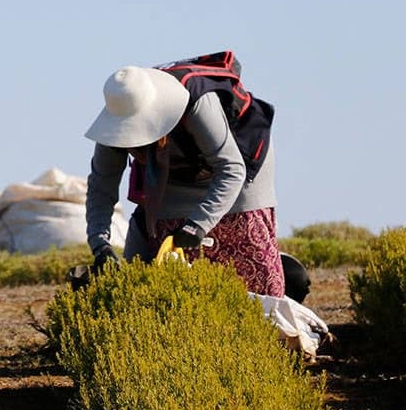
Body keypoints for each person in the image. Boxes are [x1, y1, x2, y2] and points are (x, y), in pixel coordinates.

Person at [83, 65, 284, 295]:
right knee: (147, 277)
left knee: (255, 275)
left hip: (239, 168)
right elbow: (101, 186)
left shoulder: (196, 102)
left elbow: (231, 169)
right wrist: (100, 245)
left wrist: (198, 224)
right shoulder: (118, 116)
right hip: (171, 170)